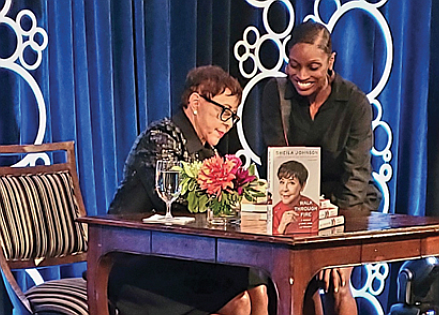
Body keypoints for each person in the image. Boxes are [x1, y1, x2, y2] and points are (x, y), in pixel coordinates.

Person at [107, 65, 268, 315]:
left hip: (182, 258)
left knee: (257, 283)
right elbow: (177, 200)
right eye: (223, 112)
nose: (228, 124)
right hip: (139, 261)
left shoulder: (209, 151)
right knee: (242, 296)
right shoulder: (160, 138)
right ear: (196, 101)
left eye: (232, 116)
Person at [261, 21, 382, 315]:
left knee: (338, 280)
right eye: (294, 65)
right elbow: (278, 165)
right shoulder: (275, 94)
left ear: (331, 61)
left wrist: (337, 246)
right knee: (299, 282)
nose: (301, 76)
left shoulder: (354, 103)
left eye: (312, 67)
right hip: (297, 201)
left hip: (346, 207)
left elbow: (356, 177)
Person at [272, 160, 319, 235]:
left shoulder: (313, 209)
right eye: (282, 182)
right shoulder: (274, 211)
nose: (285, 189)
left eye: (291, 183)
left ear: (302, 186)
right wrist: (282, 226)